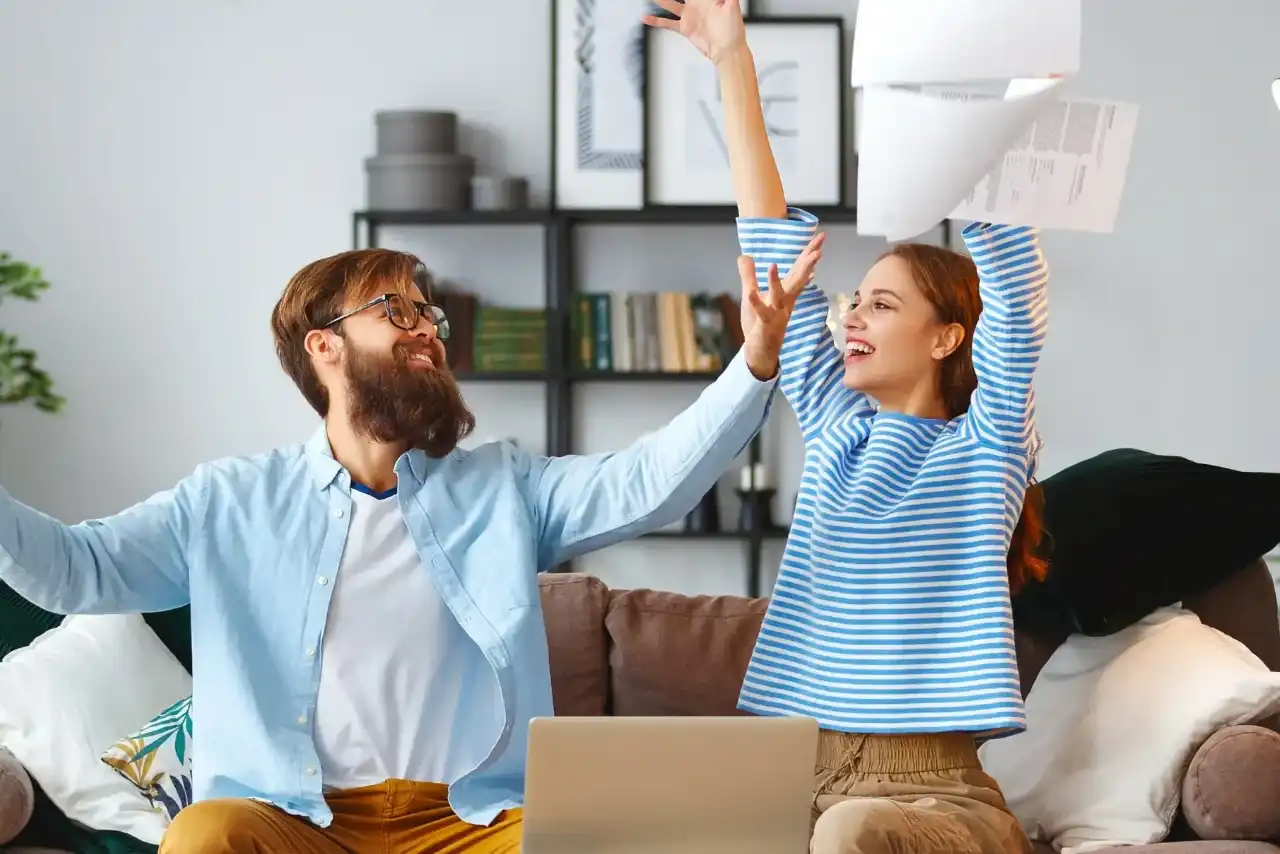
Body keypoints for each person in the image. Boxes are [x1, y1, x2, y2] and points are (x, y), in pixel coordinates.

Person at [0, 244, 822, 853]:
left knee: (586, 843)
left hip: (469, 825)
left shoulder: (504, 487)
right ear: (323, 346)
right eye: (395, 311)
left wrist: (753, 362)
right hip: (296, 822)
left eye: (427, 313)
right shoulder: (226, 501)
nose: (425, 327)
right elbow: (76, 569)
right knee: (204, 835)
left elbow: (650, 481)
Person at [643, 4, 1050, 853]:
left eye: (885, 302)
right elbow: (767, 236)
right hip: (797, 776)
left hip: (933, 798)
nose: (855, 312)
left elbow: (1015, 302)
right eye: (856, 298)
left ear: (947, 338)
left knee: (848, 834)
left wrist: (998, 137)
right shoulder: (835, 429)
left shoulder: (986, 447)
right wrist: (730, 59)